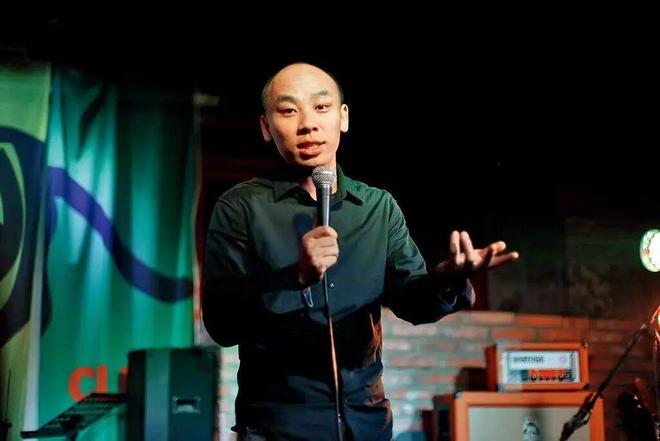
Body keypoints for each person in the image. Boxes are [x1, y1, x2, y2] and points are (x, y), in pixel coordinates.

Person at [202, 62, 519, 441]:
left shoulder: (377, 208)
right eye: (288, 110)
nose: (308, 124)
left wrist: (446, 278)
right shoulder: (241, 208)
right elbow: (222, 323)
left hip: (366, 423)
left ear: (343, 117)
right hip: (278, 426)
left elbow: (412, 303)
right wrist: (295, 278)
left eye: (321, 107)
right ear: (266, 127)